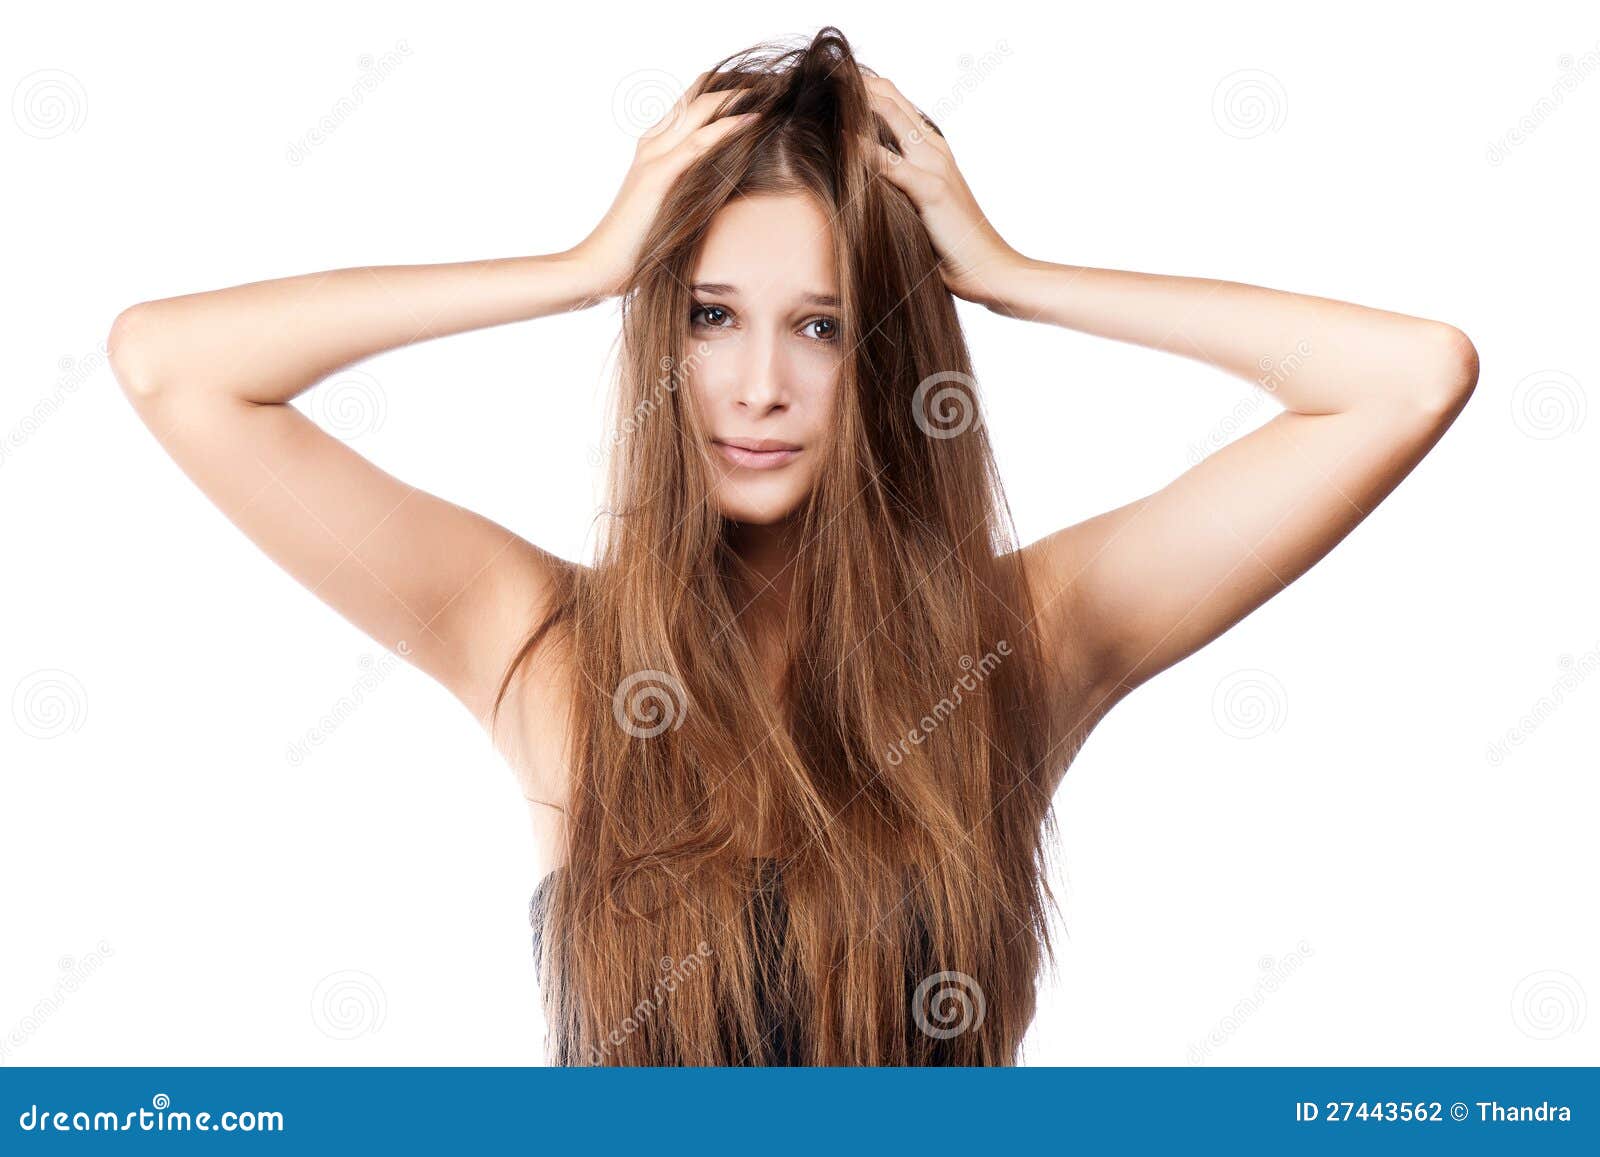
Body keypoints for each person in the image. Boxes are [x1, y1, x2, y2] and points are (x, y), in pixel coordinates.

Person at [106, 27, 1478, 1065]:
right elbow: (173, 366)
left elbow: (1406, 377)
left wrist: (1012, 280)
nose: (758, 383)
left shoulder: (1020, 641)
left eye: (820, 324)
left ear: (887, 354)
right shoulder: (548, 647)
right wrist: (578, 271)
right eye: (709, 317)